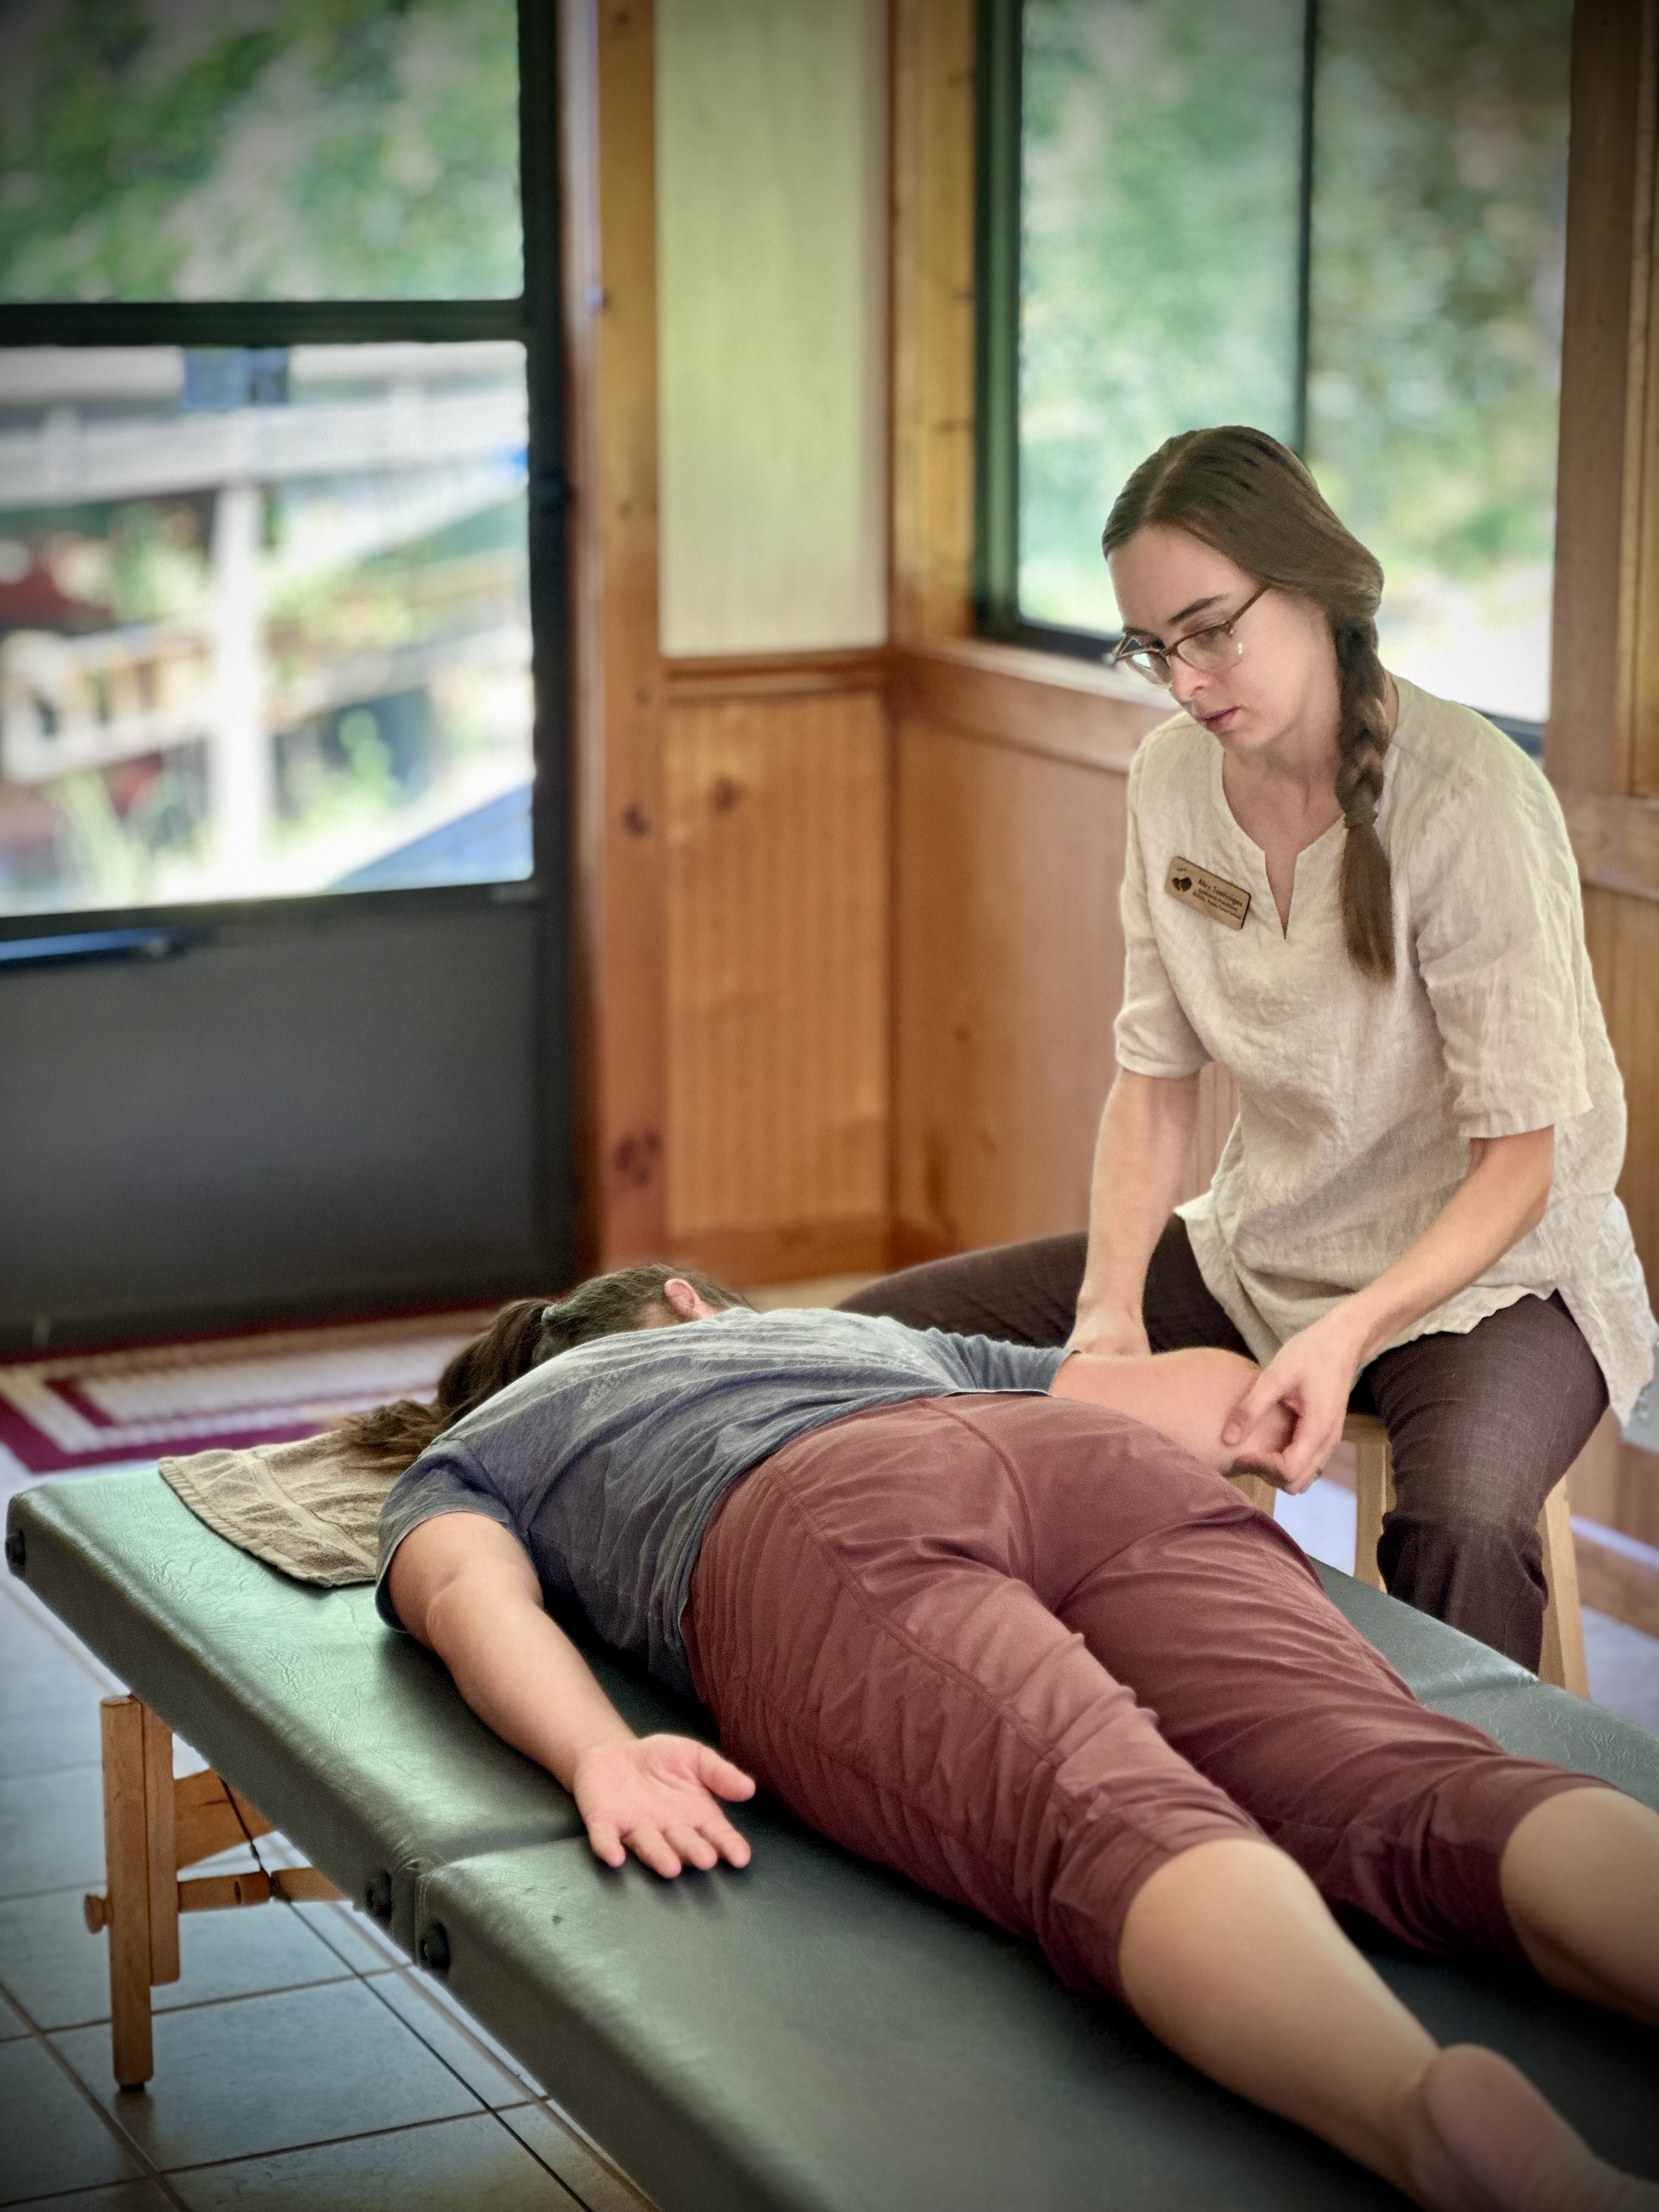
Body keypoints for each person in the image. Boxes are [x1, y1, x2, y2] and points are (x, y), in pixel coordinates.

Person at [363, 1265, 1659, 2212]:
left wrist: (600, 1748)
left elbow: (470, 1592)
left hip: (814, 1517)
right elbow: (1196, 1406)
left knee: (1105, 1813)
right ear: (692, 1300)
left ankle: (1418, 2120)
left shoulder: (484, 1445)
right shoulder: (847, 1333)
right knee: (1405, 1776)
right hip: (1084, 1458)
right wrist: (1279, 1398)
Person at [842, 424, 1656, 1670]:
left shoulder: (1471, 799)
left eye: (1211, 627)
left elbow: (1522, 1163)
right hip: (1266, 1248)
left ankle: (1450, 1835)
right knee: (871, 1346)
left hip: (1500, 1283)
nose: (1186, 678)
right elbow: (1153, 1082)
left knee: (1462, 1524)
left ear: (1318, 586)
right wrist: (1109, 1315)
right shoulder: (1171, 782)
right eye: (1153, 646)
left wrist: (1349, 1333)